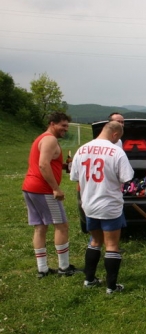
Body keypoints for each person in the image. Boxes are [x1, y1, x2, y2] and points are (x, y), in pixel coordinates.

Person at [70, 121, 134, 294]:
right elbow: (126, 178)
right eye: (118, 138)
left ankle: (89, 279)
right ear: (114, 134)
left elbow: (75, 176)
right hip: (109, 204)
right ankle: (111, 287)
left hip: (89, 204)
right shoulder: (116, 151)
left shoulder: (82, 149)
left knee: (95, 241)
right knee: (112, 245)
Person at [22, 111, 80, 278]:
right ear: (52, 123)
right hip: (43, 189)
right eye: (63, 125)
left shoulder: (41, 138)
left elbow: (46, 162)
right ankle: (64, 267)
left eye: (67, 126)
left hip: (30, 187)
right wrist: (56, 188)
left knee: (40, 227)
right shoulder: (50, 139)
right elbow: (42, 165)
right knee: (61, 225)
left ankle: (42, 269)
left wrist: (62, 166)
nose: (65, 129)